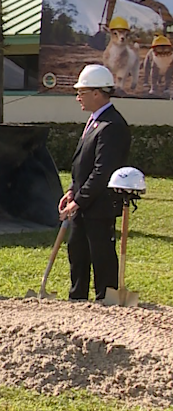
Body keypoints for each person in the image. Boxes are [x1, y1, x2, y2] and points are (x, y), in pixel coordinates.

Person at [58, 64, 132, 301]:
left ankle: (106, 300)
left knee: (101, 256)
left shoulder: (112, 126)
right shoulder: (94, 121)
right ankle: (77, 299)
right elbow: (84, 163)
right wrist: (72, 190)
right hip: (83, 204)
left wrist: (79, 200)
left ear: (98, 93)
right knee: (77, 254)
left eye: (82, 92)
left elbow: (102, 171)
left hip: (99, 206)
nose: (78, 97)